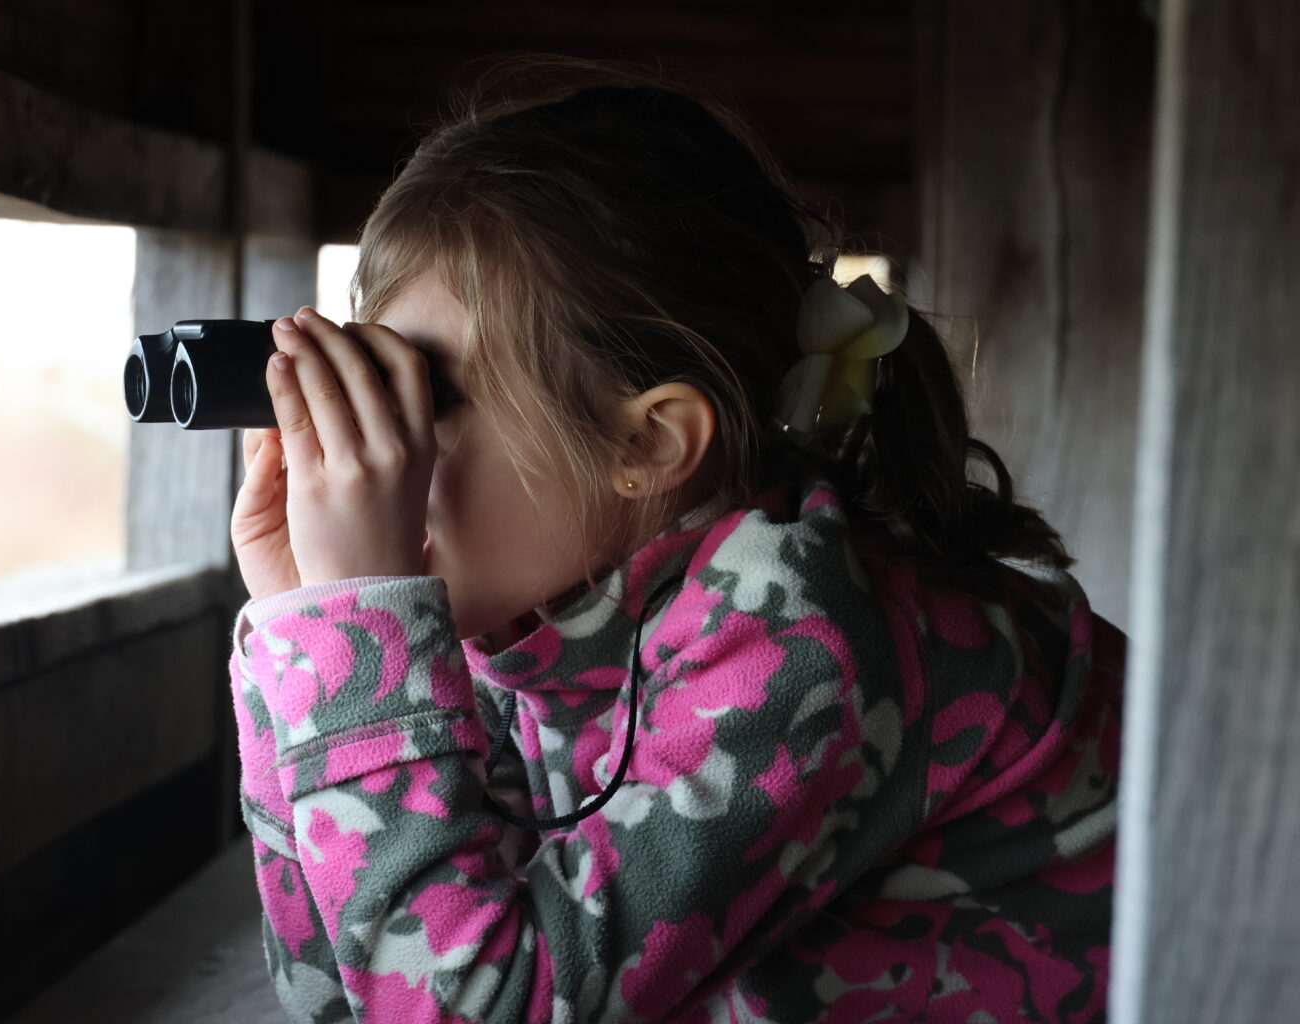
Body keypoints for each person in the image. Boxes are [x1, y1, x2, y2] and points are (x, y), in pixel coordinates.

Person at [225, 53, 1123, 1024]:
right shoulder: (557, 605)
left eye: (426, 397)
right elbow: (342, 994)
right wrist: (300, 635)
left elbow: (467, 1008)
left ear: (646, 443)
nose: (384, 455)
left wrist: (359, 633)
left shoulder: (799, 634)